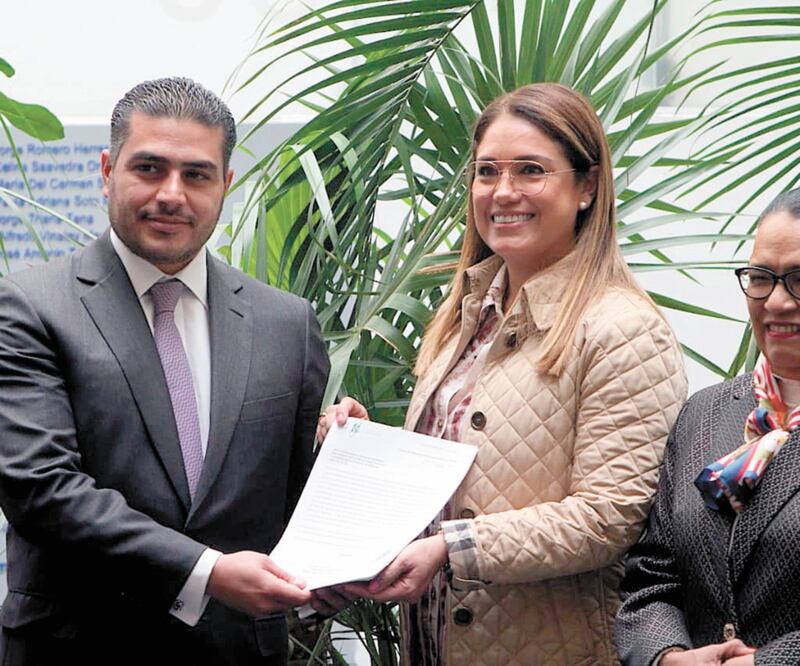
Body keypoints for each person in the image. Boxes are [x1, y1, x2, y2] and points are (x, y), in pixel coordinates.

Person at [318, 83, 687, 665]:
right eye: (487, 171)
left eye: (531, 171)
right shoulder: (467, 312)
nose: (503, 191)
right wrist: (365, 445)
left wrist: (454, 549)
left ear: (587, 186)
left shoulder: (623, 329)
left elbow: (608, 518)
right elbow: (476, 464)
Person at [0, 78, 329, 665]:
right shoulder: (28, 306)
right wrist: (208, 571)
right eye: (149, 168)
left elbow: (295, 498)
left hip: (238, 652)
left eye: (197, 174)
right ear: (107, 170)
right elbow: (42, 490)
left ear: (226, 184)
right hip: (77, 647)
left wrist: (338, 453)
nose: (171, 194)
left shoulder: (288, 323)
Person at [616, 189, 800, 665]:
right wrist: (668, 656)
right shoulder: (706, 413)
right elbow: (651, 577)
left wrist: (769, 662)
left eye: (799, 280)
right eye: (761, 278)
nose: (776, 302)